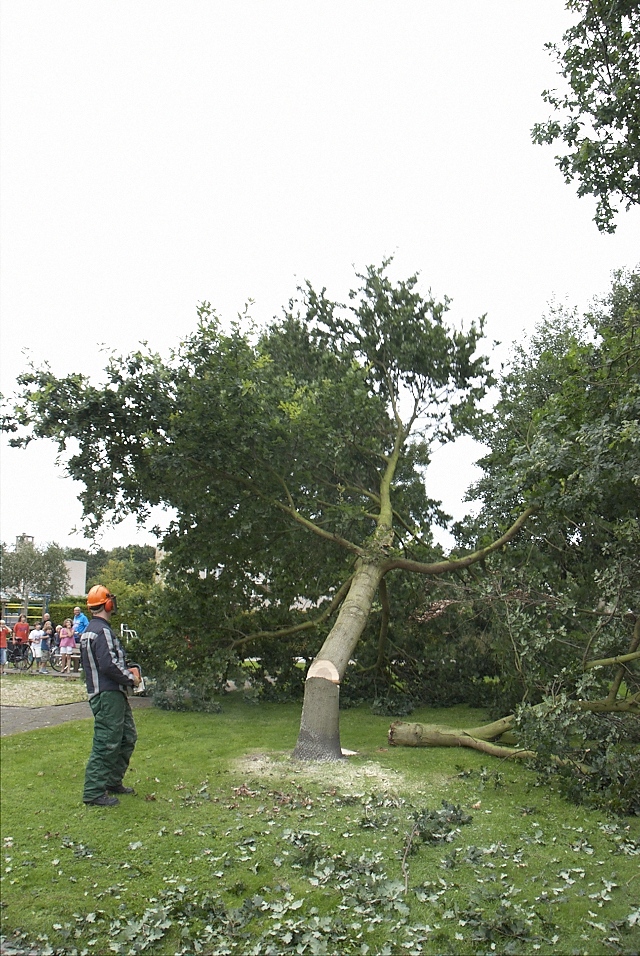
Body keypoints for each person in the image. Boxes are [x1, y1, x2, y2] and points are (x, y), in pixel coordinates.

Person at [80, 585, 140, 807]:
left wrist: (128, 669)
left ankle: (113, 782)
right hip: (107, 695)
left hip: (111, 693)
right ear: (107, 604)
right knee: (106, 742)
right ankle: (93, 792)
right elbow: (108, 664)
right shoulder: (101, 631)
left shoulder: (91, 630)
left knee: (127, 737)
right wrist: (130, 678)